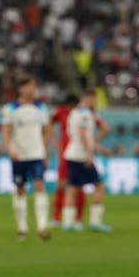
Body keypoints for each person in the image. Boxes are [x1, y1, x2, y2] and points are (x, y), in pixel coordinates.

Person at [0, 72, 52, 241]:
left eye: (34, 86)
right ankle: (22, 228)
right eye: (29, 86)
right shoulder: (10, 109)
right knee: (20, 190)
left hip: (36, 154)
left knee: (39, 186)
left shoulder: (41, 108)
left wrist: (44, 149)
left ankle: (42, 227)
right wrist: (10, 149)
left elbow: (48, 131)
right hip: (19, 155)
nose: (32, 89)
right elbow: (6, 131)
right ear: (20, 89)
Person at [50, 93, 110, 229]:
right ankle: (95, 222)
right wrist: (90, 153)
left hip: (70, 153)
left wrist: (96, 146)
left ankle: (67, 222)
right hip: (81, 155)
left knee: (72, 187)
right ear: (88, 99)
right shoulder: (84, 114)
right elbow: (83, 135)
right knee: (98, 185)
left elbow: (77, 135)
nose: (95, 103)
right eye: (94, 100)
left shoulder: (74, 113)